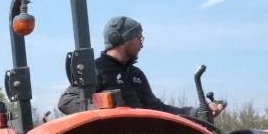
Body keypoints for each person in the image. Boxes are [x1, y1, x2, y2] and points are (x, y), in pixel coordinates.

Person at [57, 16, 226, 118]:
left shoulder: (136, 74)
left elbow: (158, 109)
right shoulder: (96, 69)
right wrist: (107, 108)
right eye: (139, 38)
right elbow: (66, 101)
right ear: (123, 39)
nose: (142, 45)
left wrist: (197, 113)